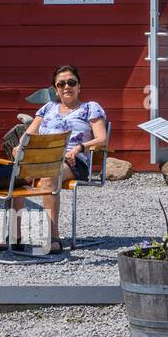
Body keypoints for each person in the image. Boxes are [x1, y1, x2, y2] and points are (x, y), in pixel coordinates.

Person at [15, 65, 108, 253]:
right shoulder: (47, 108)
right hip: (43, 158)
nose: (67, 86)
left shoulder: (90, 107)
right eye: (61, 84)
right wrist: (20, 148)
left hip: (73, 161)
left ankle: (53, 237)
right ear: (56, 89)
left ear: (79, 86)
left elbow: (102, 138)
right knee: (15, 177)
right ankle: (14, 236)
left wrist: (78, 148)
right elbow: (28, 136)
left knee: (49, 176)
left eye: (71, 82)